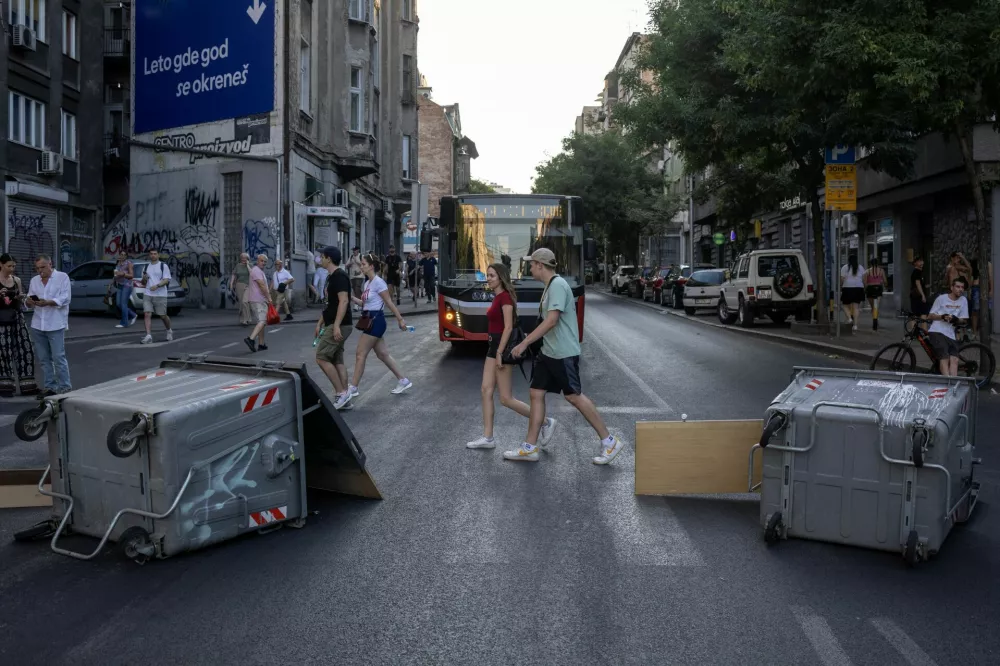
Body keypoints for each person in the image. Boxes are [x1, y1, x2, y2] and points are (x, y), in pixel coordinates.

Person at [510, 248, 623, 465]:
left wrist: (525, 342)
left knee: (573, 396)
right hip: (548, 352)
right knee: (535, 393)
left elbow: (551, 320)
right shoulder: (550, 286)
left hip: (562, 353)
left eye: (532, 264)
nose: (530, 268)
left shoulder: (558, 286)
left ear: (540, 265)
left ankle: (609, 441)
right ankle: (529, 447)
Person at [466, 263, 537, 449]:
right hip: (493, 346)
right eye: (487, 275)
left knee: (506, 398)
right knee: (485, 390)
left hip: (501, 348)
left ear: (501, 278)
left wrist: (499, 353)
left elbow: (508, 327)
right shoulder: (497, 297)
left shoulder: (505, 298)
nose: (488, 279)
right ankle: (488, 437)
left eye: (492, 276)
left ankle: (544, 421)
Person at [347, 253, 413, 398]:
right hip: (369, 319)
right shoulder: (367, 283)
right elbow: (365, 304)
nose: (361, 267)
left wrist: (400, 319)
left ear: (371, 266)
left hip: (376, 321)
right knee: (383, 354)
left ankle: (353, 387)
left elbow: (389, 302)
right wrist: (351, 298)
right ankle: (403, 380)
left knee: (360, 354)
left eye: (363, 264)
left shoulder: (379, 282)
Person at [314, 247, 355, 410]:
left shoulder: (339, 276)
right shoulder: (332, 277)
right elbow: (331, 305)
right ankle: (345, 397)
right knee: (337, 360)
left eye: (322, 257)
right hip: (334, 323)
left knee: (321, 357)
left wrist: (336, 325)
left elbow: (343, 301)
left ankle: (341, 393)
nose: (320, 260)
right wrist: (319, 323)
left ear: (328, 259)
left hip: (340, 324)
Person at [27, 255, 72, 397]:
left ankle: (65, 387)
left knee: (58, 357)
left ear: (50, 264)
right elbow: (29, 298)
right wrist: (29, 302)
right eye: (38, 268)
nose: (40, 271)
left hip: (55, 323)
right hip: (38, 324)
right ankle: (50, 387)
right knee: (44, 359)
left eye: (43, 267)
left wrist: (48, 302)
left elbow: (65, 298)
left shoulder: (62, 277)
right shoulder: (34, 280)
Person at [0, 254, 37, 396]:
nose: (12, 269)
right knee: (4, 353)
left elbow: (20, 299)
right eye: (9, 266)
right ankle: (6, 387)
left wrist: (20, 298)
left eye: (14, 266)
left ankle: (28, 386)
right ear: (1, 265)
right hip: (2, 321)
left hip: (17, 318)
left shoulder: (17, 280)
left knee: (25, 349)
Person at [926, 276, 969, 376]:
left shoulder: (963, 300)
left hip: (951, 334)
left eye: (962, 287)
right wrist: (942, 316)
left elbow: (964, 320)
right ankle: (947, 383)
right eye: (958, 287)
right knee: (944, 358)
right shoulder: (941, 299)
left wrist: (956, 319)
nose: (960, 289)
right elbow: (930, 316)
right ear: (952, 287)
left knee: (954, 360)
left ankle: (953, 385)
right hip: (937, 331)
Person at [139, 249, 173, 344]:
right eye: (151, 254)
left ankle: (169, 330)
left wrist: (157, 286)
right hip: (148, 293)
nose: (153, 255)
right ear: (149, 255)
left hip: (160, 294)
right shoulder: (146, 266)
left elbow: (166, 280)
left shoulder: (163, 266)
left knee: (162, 316)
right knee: (147, 313)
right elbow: (143, 282)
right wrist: (144, 279)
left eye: (155, 254)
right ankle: (148, 335)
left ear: (158, 255)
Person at [244, 254, 273, 353]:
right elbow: (262, 285)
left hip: (258, 300)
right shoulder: (256, 271)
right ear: (257, 261)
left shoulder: (258, 271)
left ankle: (261, 344)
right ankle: (251, 339)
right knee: (262, 321)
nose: (263, 263)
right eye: (262, 261)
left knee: (261, 322)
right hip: (258, 300)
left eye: (265, 261)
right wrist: (269, 298)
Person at [112, 251, 137, 329]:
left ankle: (124, 323)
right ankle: (133, 315)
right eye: (121, 254)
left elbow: (131, 275)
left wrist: (123, 274)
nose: (122, 256)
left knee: (123, 304)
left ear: (126, 256)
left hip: (127, 285)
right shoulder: (118, 264)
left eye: (124, 255)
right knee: (118, 304)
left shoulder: (128, 263)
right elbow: (115, 275)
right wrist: (111, 283)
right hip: (119, 285)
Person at [969, 258, 993, 339]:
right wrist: (969, 289)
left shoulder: (988, 264)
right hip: (975, 287)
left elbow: (990, 277)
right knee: (975, 311)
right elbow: (971, 276)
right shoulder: (974, 263)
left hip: (985, 288)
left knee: (987, 310)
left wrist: (991, 289)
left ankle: (986, 333)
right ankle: (974, 333)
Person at [840, 255, 864, 331]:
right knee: (856, 307)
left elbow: (842, 279)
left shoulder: (845, 267)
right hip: (858, 288)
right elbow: (863, 278)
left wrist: (841, 286)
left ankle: (849, 318)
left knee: (844, 305)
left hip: (847, 288)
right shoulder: (860, 267)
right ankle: (855, 325)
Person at [863, 257, 887, 331]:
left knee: (872, 307)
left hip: (870, 289)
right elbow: (885, 281)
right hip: (878, 288)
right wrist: (884, 285)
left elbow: (865, 282)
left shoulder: (867, 271)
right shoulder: (881, 271)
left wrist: (865, 289)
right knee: (876, 306)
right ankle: (876, 320)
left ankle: (875, 320)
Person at [229, 253, 252, 325]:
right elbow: (234, 274)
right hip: (239, 285)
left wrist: (247, 265)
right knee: (242, 303)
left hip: (248, 285)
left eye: (245, 258)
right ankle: (244, 319)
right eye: (242, 258)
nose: (243, 259)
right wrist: (231, 283)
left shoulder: (250, 265)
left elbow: (251, 273)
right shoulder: (238, 266)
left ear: (248, 259)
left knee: (245, 301)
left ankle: (246, 319)